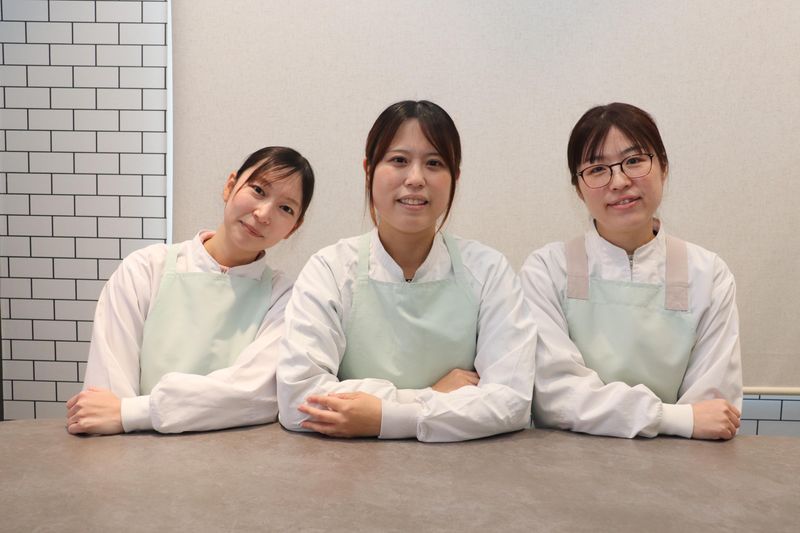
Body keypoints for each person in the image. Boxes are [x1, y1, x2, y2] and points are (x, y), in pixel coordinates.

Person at [277, 100, 536, 442]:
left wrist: (384, 416)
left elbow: (512, 402)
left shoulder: (488, 270)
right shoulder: (330, 269)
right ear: (369, 170)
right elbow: (299, 401)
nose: (415, 179)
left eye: (434, 163)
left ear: (455, 177)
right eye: (399, 160)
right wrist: (431, 395)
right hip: (347, 469)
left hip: (463, 468)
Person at [521, 103, 742, 439]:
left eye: (634, 161)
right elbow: (556, 396)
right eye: (597, 169)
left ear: (663, 167)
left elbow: (713, 411)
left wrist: (687, 421)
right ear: (578, 188)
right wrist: (672, 418)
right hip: (569, 463)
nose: (620, 181)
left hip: (682, 463)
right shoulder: (547, 270)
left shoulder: (708, 274)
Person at [66, 146, 314, 434]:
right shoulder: (146, 269)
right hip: (133, 449)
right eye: (258, 190)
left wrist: (132, 413)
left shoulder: (284, 298)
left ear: (293, 227)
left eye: (285, 208)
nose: (263, 214)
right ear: (230, 186)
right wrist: (121, 415)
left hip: (237, 455)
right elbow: (105, 400)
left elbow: (255, 395)